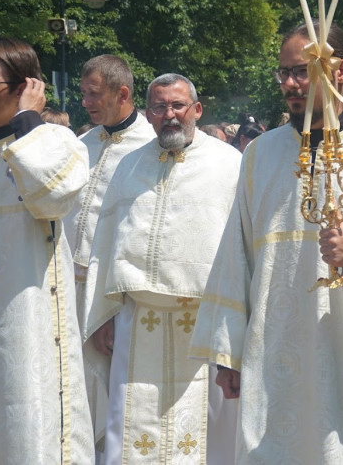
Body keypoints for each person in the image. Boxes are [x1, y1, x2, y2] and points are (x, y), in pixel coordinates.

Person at [190, 23, 343, 464]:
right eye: (284, 72)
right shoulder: (260, 155)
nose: (290, 84)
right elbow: (235, 255)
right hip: (275, 353)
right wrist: (228, 351)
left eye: (302, 71)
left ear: (341, 70)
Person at [84, 73, 241, 463]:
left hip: (204, 320)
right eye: (158, 107)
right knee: (133, 422)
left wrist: (235, 328)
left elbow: (241, 248)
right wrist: (104, 314)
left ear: (197, 110)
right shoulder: (129, 166)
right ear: (148, 113)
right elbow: (105, 244)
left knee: (210, 432)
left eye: (177, 105)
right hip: (137, 320)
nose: (169, 115)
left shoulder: (229, 164)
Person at [0, 38, 93, 462]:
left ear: (23, 88)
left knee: (26, 431)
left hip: (27, 321)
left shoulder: (56, 141)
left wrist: (27, 122)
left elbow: (52, 197)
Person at [64, 54, 157, 452]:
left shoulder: (149, 149)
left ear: (122, 94)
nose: (85, 102)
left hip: (111, 295)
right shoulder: (80, 145)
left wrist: (113, 309)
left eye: (94, 94)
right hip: (67, 288)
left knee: (109, 397)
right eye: (83, 93)